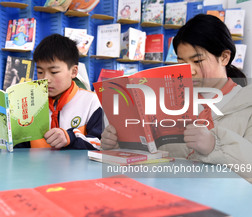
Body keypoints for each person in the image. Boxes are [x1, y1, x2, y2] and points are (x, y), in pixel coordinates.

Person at [101, 14, 252, 178]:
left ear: (224, 57)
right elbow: (152, 161)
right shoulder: (168, 102)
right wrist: (119, 145)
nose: (189, 70)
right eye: (182, 63)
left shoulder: (247, 104)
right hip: (170, 196)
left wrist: (215, 145)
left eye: (198, 61)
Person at [16, 33, 102, 150]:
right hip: (36, 167)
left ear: (74, 71)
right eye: (40, 72)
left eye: (54, 72)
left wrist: (71, 138)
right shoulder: (29, 104)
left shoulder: (92, 102)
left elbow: (101, 143)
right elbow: (21, 148)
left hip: (77, 168)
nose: (46, 79)